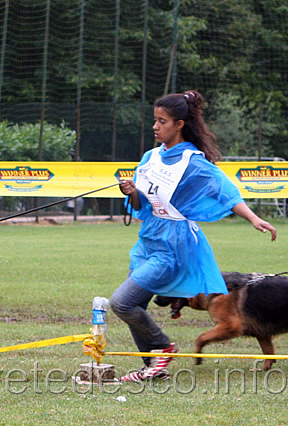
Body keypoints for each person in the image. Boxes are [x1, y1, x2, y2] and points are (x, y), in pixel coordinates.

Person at [111, 90, 277, 383]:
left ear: (179, 125)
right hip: (147, 240)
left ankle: (163, 347)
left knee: (122, 303)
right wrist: (133, 192)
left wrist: (253, 217)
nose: (155, 126)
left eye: (162, 121)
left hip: (174, 246)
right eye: (154, 120)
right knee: (133, 306)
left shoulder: (193, 162)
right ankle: (153, 366)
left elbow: (224, 191)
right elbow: (140, 207)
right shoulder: (149, 158)